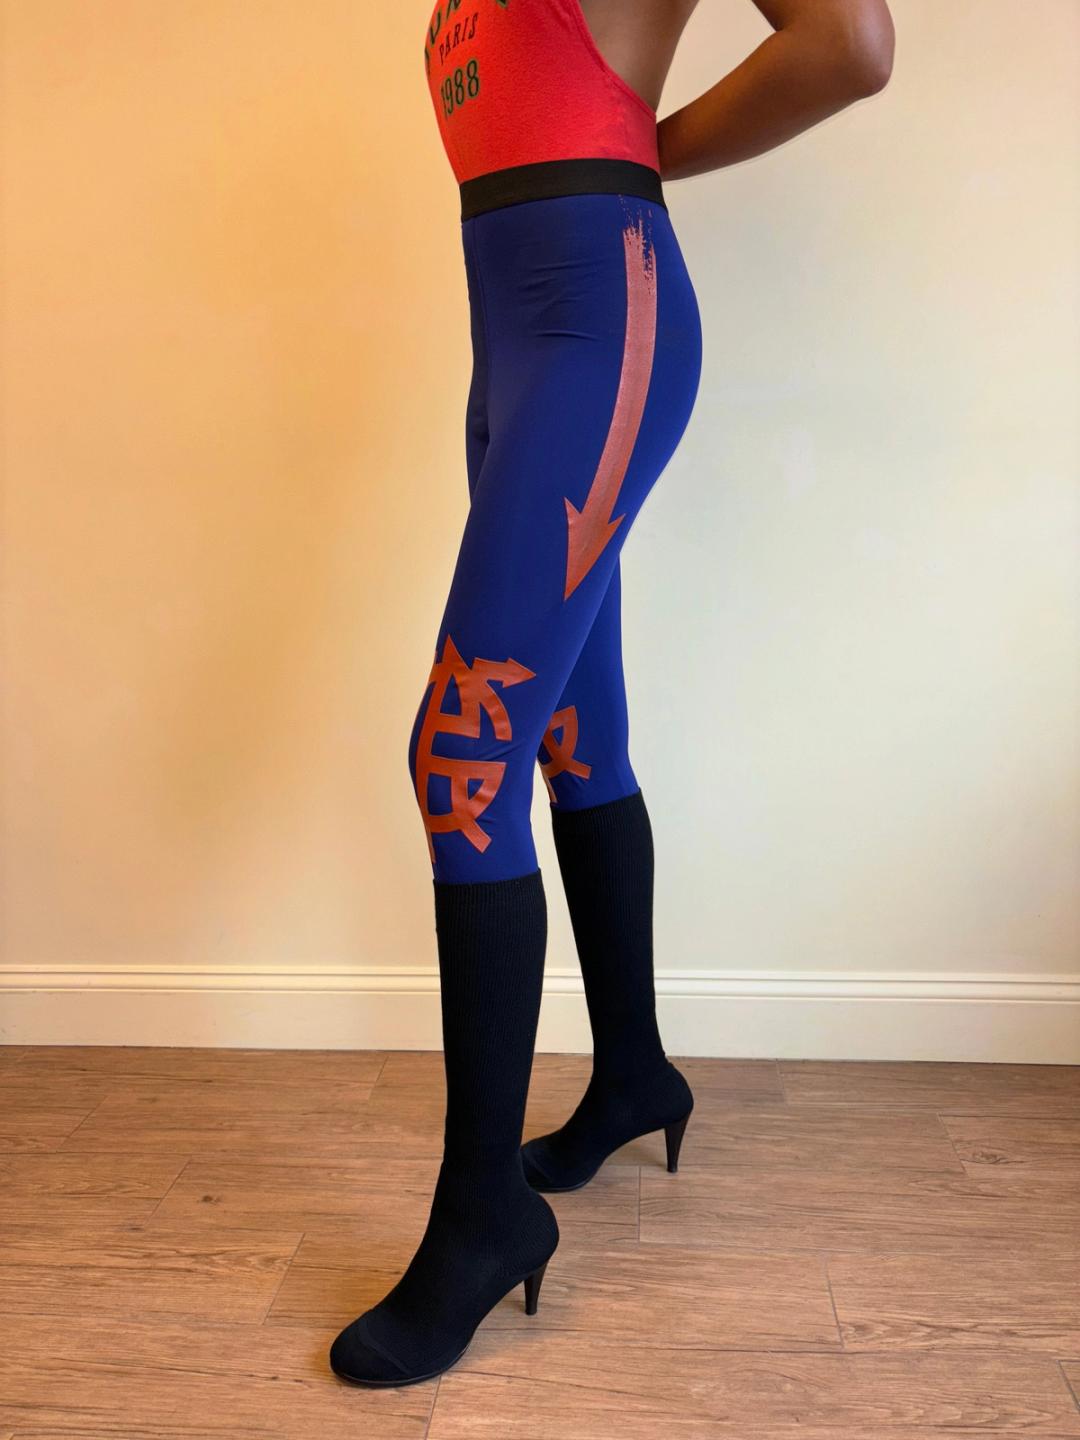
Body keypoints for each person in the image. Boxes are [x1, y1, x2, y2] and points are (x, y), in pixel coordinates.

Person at [330, 0, 894, 1389]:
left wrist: (655, 144)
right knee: (572, 736)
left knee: (462, 763)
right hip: (516, 348)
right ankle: (635, 1072)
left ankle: (484, 1215)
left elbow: (852, 42)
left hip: (601, 328)